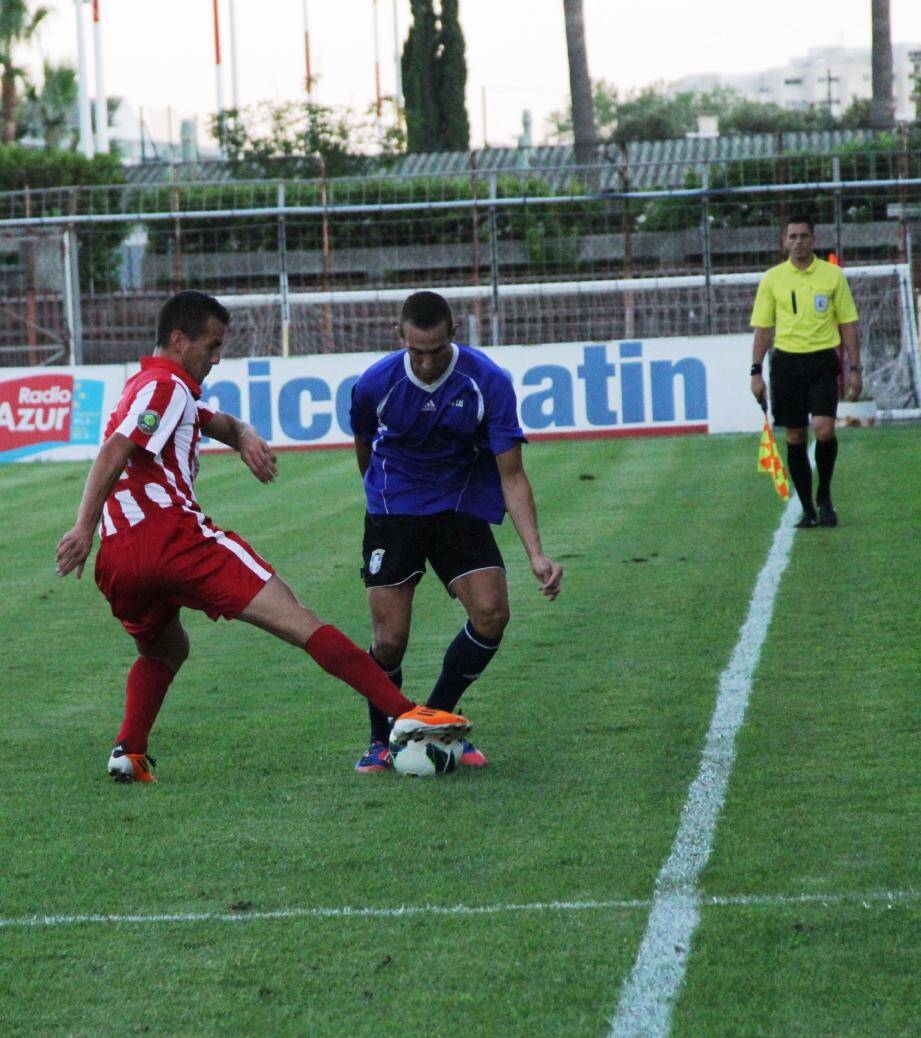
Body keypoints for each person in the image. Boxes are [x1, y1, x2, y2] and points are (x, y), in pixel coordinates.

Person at [55, 290, 469, 783]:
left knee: (165, 650)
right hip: (171, 540)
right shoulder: (164, 388)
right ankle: (405, 714)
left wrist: (245, 435)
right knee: (297, 619)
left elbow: (216, 422)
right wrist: (81, 524)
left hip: (119, 559)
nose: (217, 356)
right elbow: (115, 449)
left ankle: (130, 750)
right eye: (212, 346)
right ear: (179, 339)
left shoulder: (155, 387)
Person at [348, 290, 563, 773]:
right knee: (389, 643)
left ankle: (434, 719)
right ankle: (380, 740)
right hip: (393, 507)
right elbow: (365, 450)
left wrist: (536, 554)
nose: (426, 363)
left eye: (437, 351)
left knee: (492, 614)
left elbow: (511, 473)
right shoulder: (373, 384)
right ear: (399, 336)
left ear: (454, 335)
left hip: (458, 504)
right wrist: (381, 501)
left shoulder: (487, 381)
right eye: (416, 351)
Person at [749, 213, 862, 528]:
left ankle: (824, 496)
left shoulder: (832, 276)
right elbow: (762, 328)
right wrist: (756, 371)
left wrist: (855, 367)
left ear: (813, 239)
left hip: (823, 361)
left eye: (803, 236)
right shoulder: (772, 279)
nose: (798, 243)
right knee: (796, 434)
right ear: (784, 241)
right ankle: (808, 508)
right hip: (787, 363)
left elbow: (848, 322)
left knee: (824, 429)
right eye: (792, 237)